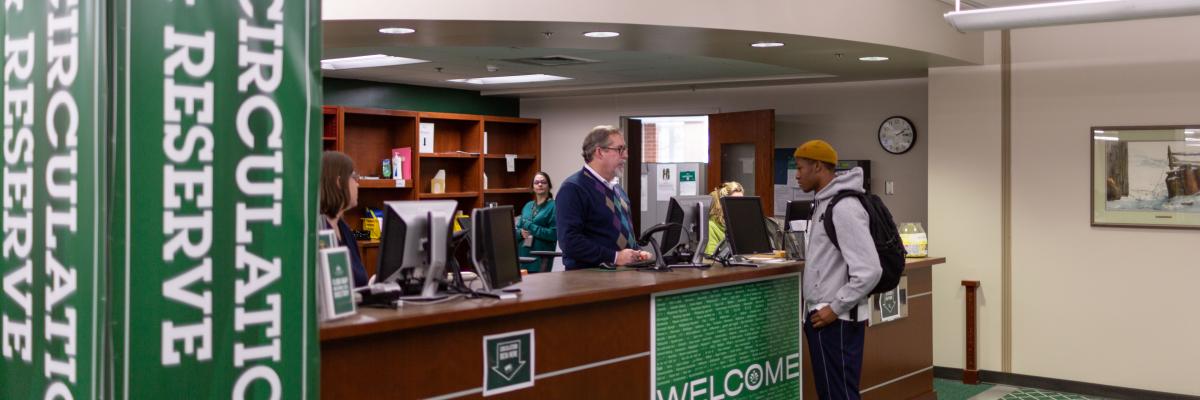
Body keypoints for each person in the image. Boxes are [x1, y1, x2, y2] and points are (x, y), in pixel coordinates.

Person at [793, 139, 881, 400]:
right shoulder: (824, 202)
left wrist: (835, 307)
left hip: (836, 319)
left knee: (838, 394)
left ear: (818, 167)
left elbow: (869, 270)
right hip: (827, 316)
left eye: (800, 168)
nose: (797, 175)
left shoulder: (843, 207)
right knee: (833, 392)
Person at [556, 125, 653, 269]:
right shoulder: (573, 188)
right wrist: (615, 257)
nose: (625, 155)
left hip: (621, 276)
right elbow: (570, 242)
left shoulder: (617, 189)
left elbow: (613, 235)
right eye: (620, 149)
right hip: (589, 280)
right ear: (600, 152)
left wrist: (636, 252)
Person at [319, 151, 369, 287]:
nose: (358, 184)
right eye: (354, 177)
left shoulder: (344, 229)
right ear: (339, 182)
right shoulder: (318, 231)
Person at [516, 172, 557, 272]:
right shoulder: (528, 206)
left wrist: (531, 227)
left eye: (543, 182)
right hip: (522, 257)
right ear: (532, 187)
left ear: (549, 186)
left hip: (540, 259)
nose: (540, 184)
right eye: (536, 182)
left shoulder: (554, 206)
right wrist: (520, 233)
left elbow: (554, 234)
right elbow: (517, 230)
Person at [703, 181, 744, 255]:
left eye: (741, 201)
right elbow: (710, 259)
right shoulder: (710, 226)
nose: (740, 206)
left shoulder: (738, 224)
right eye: (735, 202)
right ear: (722, 205)